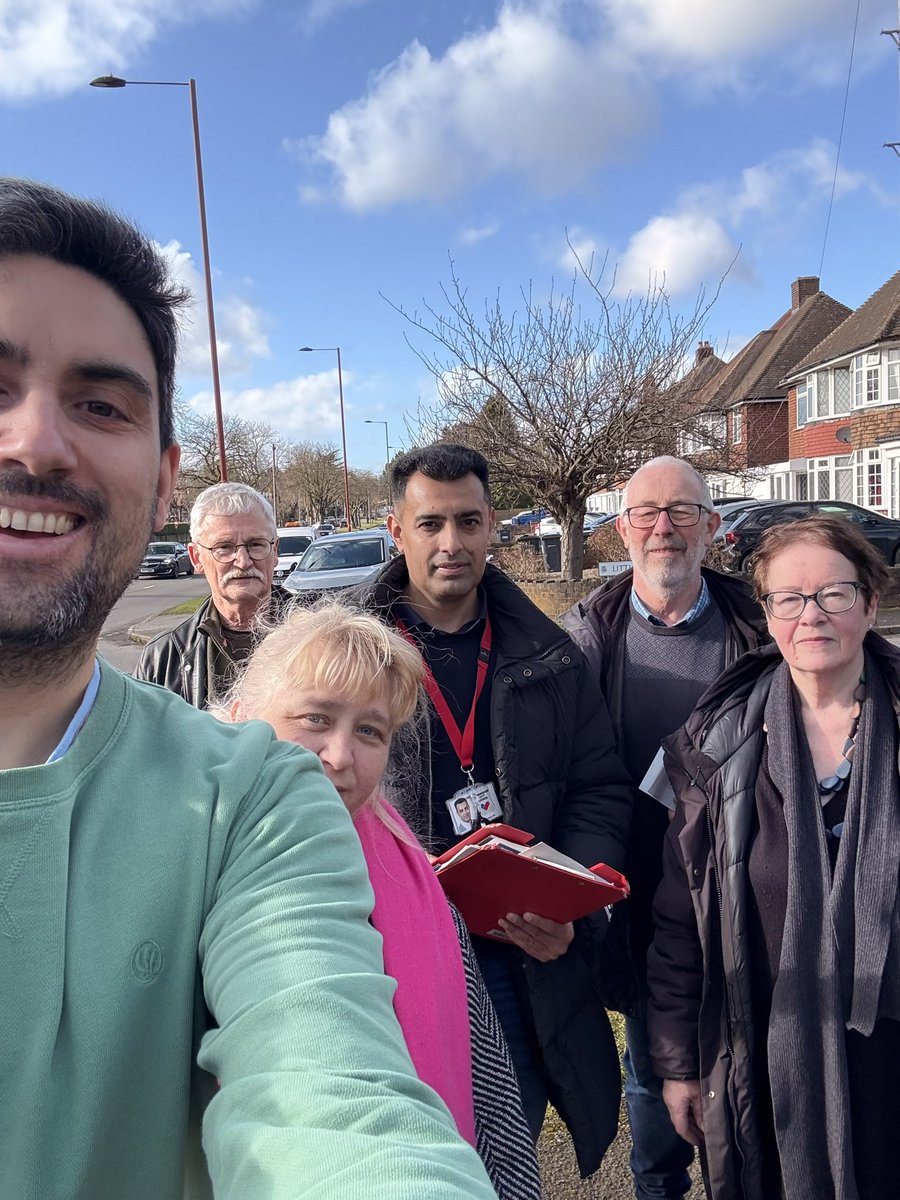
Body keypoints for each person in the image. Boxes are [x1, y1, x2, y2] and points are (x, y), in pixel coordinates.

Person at [0, 176, 498, 1200]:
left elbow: (334, 1097)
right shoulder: (187, 668)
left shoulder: (250, 804)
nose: (38, 442)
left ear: (163, 472)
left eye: (99, 404)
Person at [356, 441, 633, 1178]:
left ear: (492, 527)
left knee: (504, 1142)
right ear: (396, 530)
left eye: (469, 522)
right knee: (405, 1152)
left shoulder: (551, 653)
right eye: (431, 524)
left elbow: (598, 789)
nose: (452, 543)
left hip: (517, 952)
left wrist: (570, 907)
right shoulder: (346, 654)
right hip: (393, 952)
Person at [222, 600, 542, 1200]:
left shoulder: (402, 859)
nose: (339, 758)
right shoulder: (193, 862)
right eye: (315, 718)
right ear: (242, 715)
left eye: (369, 731)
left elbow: (485, 1073)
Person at [647, 516, 900, 1200]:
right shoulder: (718, 743)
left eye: (834, 595)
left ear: (871, 604)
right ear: (767, 613)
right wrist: (679, 1065)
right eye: (789, 598)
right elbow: (679, 916)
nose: (810, 616)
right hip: (763, 1049)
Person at [560, 456, 767, 1200]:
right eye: (646, 512)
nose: (663, 528)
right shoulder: (588, 635)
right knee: (655, 1082)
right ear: (622, 528)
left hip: (750, 888)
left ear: (713, 527)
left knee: (757, 1077)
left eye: (682, 511)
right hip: (646, 899)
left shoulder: (760, 626)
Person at [135, 481, 293, 707]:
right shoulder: (163, 659)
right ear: (196, 557)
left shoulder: (325, 638)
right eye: (224, 548)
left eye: (256, 544)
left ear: (275, 550)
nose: (243, 561)